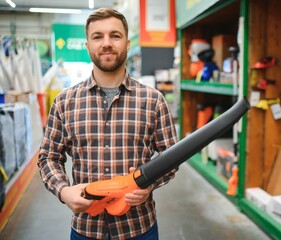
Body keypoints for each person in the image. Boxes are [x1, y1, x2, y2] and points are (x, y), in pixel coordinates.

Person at [38, 7, 178, 240]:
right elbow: (48, 157)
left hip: (139, 228)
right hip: (86, 229)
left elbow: (171, 157)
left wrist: (149, 185)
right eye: (97, 36)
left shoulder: (153, 100)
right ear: (87, 46)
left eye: (115, 35)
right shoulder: (65, 102)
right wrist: (63, 191)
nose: (106, 43)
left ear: (127, 43)